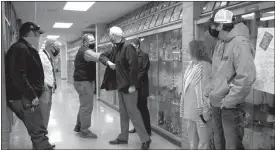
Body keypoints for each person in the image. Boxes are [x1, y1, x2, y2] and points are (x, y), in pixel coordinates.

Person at [205, 9, 256, 150]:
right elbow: (216, 73)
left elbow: (246, 77)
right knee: (218, 143)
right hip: (216, 104)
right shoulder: (221, 43)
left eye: (213, 25)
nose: (211, 29)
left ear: (221, 26)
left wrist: (228, 102)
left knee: (232, 146)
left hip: (230, 108)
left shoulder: (240, 43)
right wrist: (208, 94)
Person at [99, 26, 151, 150]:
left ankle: (146, 139)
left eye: (110, 35)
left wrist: (133, 85)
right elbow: (102, 56)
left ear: (115, 35)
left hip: (129, 88)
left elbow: (134, 68)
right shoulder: (115, 48)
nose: (109, 37)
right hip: (121, 87)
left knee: (134, 113)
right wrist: (108, 62)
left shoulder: (128, 47)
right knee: (123, 113)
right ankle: (123, 137)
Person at [5, 22, 54, 150]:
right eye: (38, 34)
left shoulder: (25, 47)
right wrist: (32, 95)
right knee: (38, 130)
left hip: (25, 96)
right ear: (31, 33)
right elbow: (18, 75)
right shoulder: (20, 48)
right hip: (24, 97)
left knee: (38, 128)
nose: (39, 37)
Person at [179, 40, 212, 149]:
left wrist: (205, 109)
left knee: (203, 142)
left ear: (194, 50)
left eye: (188, 49)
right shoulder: (191, 65)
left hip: (201, 111)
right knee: (192, 141)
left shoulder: (205, 66)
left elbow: (207, 89)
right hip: (190, 110)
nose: (186, 51)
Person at [73, 33, 101, 139]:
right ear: (85, 43)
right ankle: (84, 131)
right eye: (91, 41)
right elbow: (98, 57)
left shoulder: (83, 50)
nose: (93, 42)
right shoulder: (86, 51)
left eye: (94, 40)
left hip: (80, 81)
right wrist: (111, 52)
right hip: (84, 82)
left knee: (83, 104)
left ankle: (79, 125)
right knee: (87, 107)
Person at [128, 38, 152, 136]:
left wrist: (133, 81)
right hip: (133, 86)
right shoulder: (130, 56)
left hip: (141, 86)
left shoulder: (144, 56)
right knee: (135, 109)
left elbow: (143, 70)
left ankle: (147, 129)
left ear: (137, 46)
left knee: (143, 108)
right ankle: (137, 127)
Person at [39, 39, 61, 131]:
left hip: (49, 89)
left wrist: (53, 83)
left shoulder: (48, 56)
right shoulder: (41, 55)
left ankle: (43, 140)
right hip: (44, 90)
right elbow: (36, 71)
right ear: (51, 47)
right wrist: (43, 82)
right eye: (57, 48)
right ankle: (40, 143)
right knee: (43, 115)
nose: (58, 51)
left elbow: (48, 72)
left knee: (46, 114)